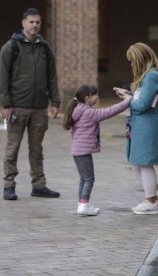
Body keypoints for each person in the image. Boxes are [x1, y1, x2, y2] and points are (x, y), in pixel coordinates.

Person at [0, 8, 60, 200]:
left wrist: (55, 102)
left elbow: (52, 77)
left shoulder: (45, 48)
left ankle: (39, 186)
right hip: (17, 107)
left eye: (37, 22)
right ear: (23, 23)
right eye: (31, 22)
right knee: (12, 148)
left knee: (37, 149)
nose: (34, 25)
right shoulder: (11, 47)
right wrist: (6, 104)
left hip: (39, 108)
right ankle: (9, 185)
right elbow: (2, 78)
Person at [115, 42, 158, 215]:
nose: (131, 65)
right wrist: (129, 96)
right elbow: (141, 100)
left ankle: (152, 200)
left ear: (139, 60)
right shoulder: (150, 76)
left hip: (147, 124)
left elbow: (143, 104)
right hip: (142, 123)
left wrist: (127, 99)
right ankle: (150, 198)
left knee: (144, 163)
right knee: (138, 163)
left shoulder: (151, 76)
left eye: (132, 61)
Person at [63, 85, 131, 216]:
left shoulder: (78, 109)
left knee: (83, 179)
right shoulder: (88, 112)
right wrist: (127, 102)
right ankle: (84, 205)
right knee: (89, 179)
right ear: (87, 98)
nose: (98, 97)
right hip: (83, 151)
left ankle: (82, 204)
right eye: (95, 95)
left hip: (77, 151)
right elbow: (109, 112)